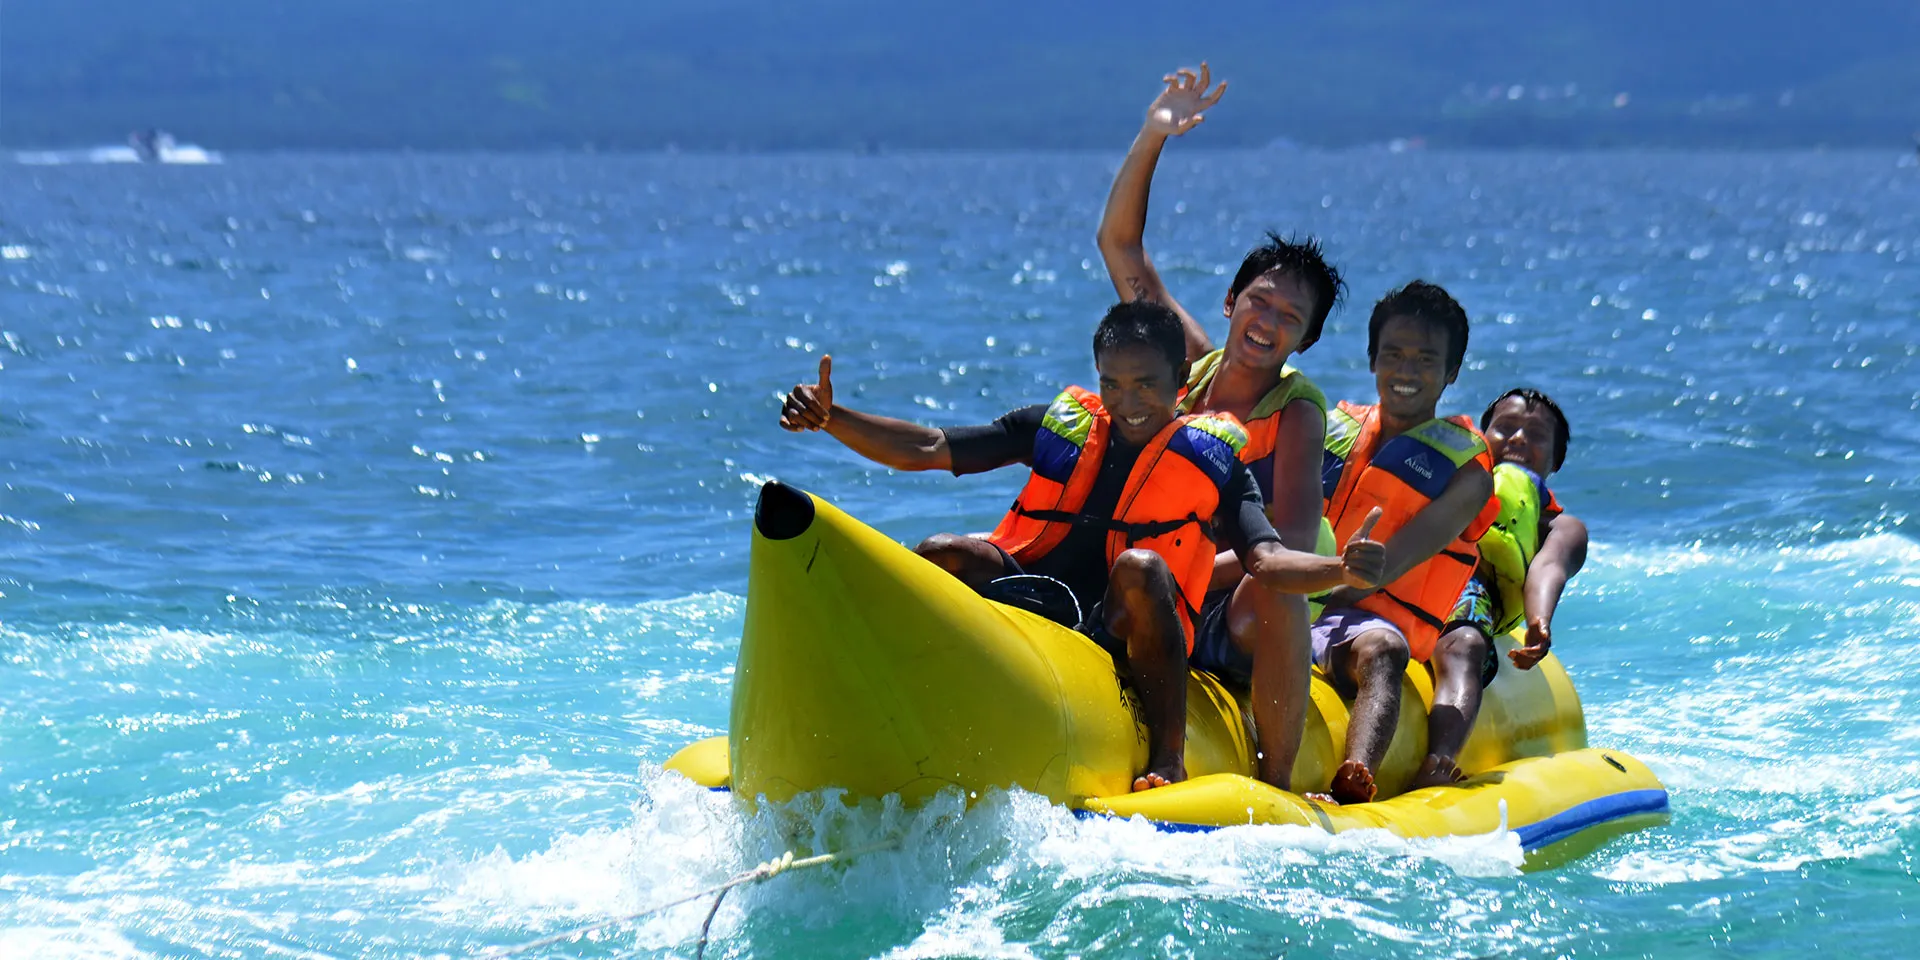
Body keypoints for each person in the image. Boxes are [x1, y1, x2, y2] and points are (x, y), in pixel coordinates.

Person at [779, 301, 1385, 792]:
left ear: (1181, 381)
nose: (1129, 403)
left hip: (1127, 626)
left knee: (1142, 566)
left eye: (1146, 385)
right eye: (1112, 385)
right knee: (945, 550)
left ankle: (1168, 756)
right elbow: (931, 447)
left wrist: (1338, 568)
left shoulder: (1215, 462)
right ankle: (878, 694)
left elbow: (1265, 560)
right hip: (1043, 599)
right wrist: (835, 419)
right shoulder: (1061, 425)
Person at [1096, 63, 1350, 791]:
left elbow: (1288, 554)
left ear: (1304, 341)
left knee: (1280, 590)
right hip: (1156, 582)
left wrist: (1186, 561)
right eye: (1260, 303)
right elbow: (1120, 247)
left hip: (1236, 611)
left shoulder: (1296, 412)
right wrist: (1155, 135)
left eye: (1289, 320)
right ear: (1233, 297)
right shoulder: (1187, 367)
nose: (1266, 324)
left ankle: (1276, 776)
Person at [1311, 281, 1499, 805]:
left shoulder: (1468, 473)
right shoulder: (1331, 430)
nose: (1406, 372)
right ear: (1372, 359)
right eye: (1393, 355)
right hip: (1290, 594)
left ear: (1451, 371)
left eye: (1425, 359)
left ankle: (1354, 779)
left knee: (1385, 650)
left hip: (1356, 618)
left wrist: (1306, 589)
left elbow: (1390, 565)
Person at [1413, 388, 1589, 787]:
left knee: (1466, 644)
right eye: (1505, 428)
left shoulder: (1560, 525)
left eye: (1536, 435)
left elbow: (1548, 568)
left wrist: (1538, 620)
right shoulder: (1450, 479)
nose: (1518, 439)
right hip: (1406, 573)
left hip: (1467, 590)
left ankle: (1438, 759)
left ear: (1555, 461)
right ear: (1481, 435)